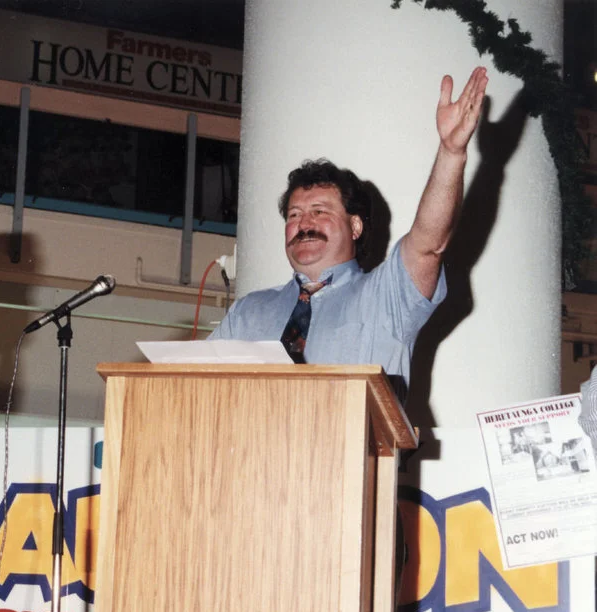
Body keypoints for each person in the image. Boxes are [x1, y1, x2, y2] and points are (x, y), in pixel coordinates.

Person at [209, 68, 489, 395]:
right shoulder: (248, 312)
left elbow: (429, 243)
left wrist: (451, 153)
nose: (304, 223)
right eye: (294, 214)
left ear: (355, 225)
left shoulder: (386, 297)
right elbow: (192, 385)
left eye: (320, 211)